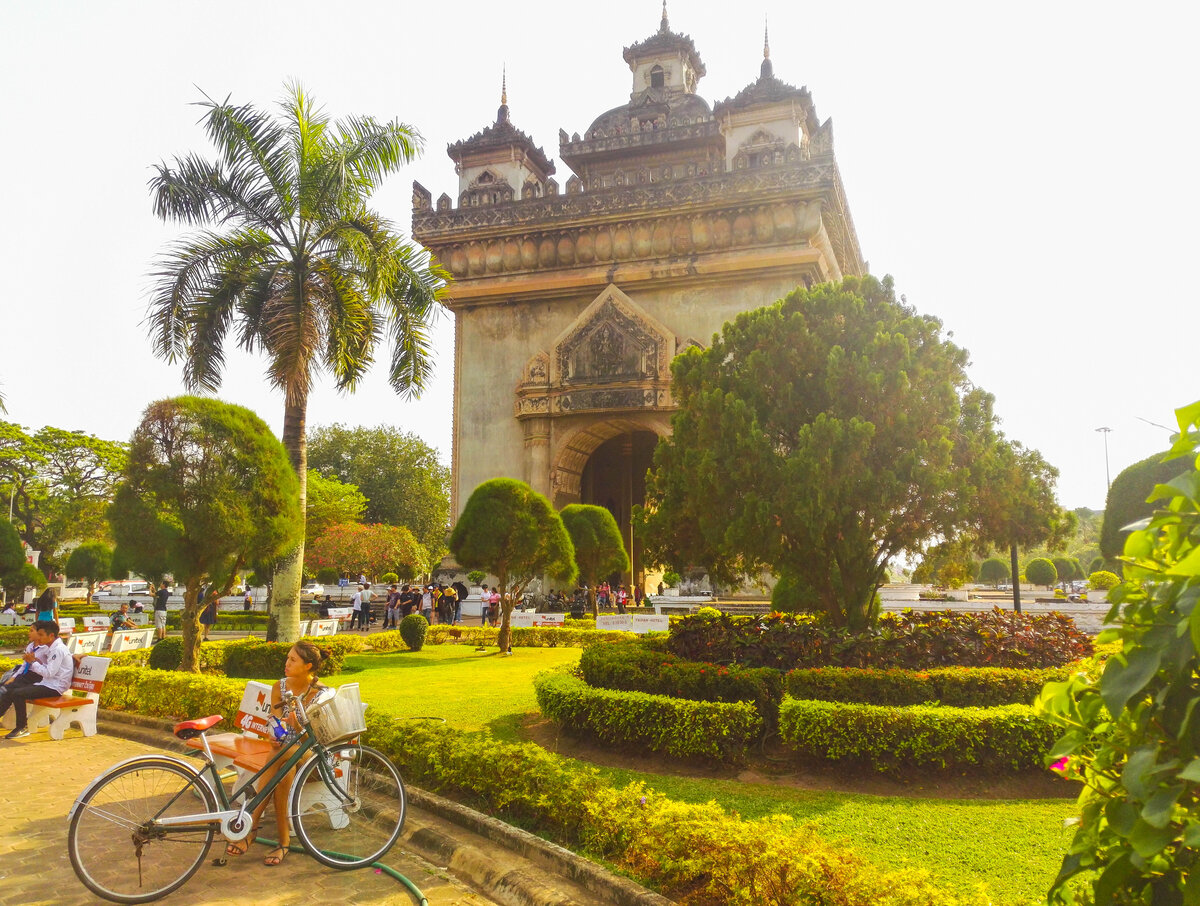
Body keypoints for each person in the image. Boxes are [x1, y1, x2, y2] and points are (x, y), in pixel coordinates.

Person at [225, 640, 331, 866]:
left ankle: (250, 827)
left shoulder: (320, 692)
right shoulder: (279, 687)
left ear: (308, 666)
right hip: (283, 753)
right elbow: (274, 723)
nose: (287, 663)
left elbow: (317, 738)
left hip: (312, 756)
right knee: (283, 767)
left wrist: (299, 726)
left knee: (284, 756)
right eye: (288, 658)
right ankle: (283, 842)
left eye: (293, 660)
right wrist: (275, 734)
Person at [0, 620, 73, 739]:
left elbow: (49, 673)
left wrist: (33, 662)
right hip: (47, 683)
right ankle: (21, 727)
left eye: (41, 635)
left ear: (51, 636)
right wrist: (36, 662)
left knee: (18, 693)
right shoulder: (53, 647)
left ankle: (21, 727)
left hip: (54, 687)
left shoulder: (58, 649)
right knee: (12, 690)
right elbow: (49, 669)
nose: (39, 638)